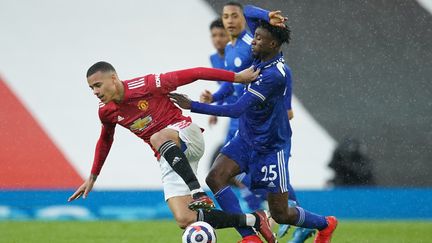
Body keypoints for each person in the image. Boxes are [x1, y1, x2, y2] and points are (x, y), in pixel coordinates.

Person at [170, 4, 337, 243]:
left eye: (259, 39)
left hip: (270, 147)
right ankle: (250, 237)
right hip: (246, 138)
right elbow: (247, 10)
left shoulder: (273, 75)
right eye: (255, 36)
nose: (253, 42)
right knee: (215, 177)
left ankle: (326, 224)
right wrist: (267, 16)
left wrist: (193, 105)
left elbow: (236, 109)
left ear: (273, 45)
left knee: (281, 213)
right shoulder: (258, 58)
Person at [67, 61, 263, 231]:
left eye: (98, 85)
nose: (95, 92)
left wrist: (237, 77)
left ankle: (198, 192)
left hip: (187, 135)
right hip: (169, 156)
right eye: (91, 88)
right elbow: (105, 139)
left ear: (113, 78)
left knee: (157, 137)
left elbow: (196, 73)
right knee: (184, 219)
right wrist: (93, 176)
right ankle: (254, 220)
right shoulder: (106, 111)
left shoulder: (148, 84)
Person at [205, 3, 315, 243]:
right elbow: (233, 82)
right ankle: (255, 224)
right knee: (222, 174)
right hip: (241, 120)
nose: (230, 22)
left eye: (234, 16)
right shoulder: (221, 55)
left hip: (257, 121)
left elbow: (282, 72)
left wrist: (286, 106)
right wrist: (214, 98)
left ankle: (283, 212)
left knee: (261, 176)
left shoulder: (249, 44)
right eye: (225, 18)